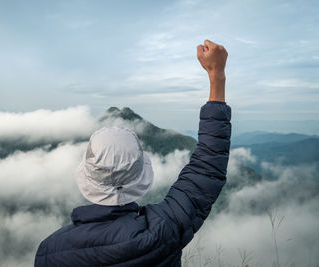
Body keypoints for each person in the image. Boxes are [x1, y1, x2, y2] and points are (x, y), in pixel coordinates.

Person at [35, 40, 231, 266]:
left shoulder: (50, 251)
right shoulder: (163, 233)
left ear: (88, 178)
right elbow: (207, 169)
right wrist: (217, 75)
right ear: (140, 177)